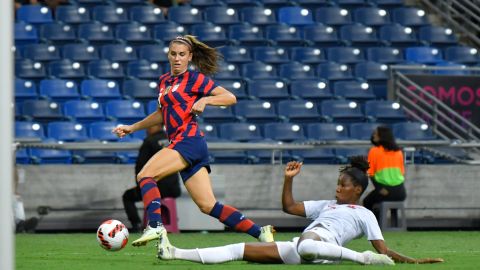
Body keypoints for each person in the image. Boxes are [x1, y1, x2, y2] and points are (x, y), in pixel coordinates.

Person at [112, 35, 274, 247]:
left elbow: (230, 97)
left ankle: (155, 225)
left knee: (146, 174)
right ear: (168, 55)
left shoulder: (195, 79)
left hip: (187, 141)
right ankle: (261, 232)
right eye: (173, 54)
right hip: (188, 145)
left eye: (182, 55)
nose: (177, 59)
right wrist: (132, 127)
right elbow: (161, 114)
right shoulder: (164, 82)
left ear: (189, 57)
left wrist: (206, 99)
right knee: (208, 206)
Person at [157, 158, 444, 265]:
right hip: (302, 248)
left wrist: (415, 261)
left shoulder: (364, 213)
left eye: (342, 185)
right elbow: (289, 207)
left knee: (308, 244)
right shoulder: (326, 205)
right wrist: (288, 180)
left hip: (321, 247)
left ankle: (362, 260)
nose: (337, 189)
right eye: (337, 184)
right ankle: (175, 253)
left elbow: (383, 249)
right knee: (238, 250)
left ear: (356, 189)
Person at [122, 124, 181, 233]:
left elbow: (140, 166)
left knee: (127, 196)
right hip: (174, 188)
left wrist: (141, 185)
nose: (146, 130)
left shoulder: (149, 141)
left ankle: (136, 225)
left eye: (148, 127)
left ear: (156, 127)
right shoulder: (170, 139)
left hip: (155, 188)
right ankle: (171, 224)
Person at [363, 125, 407, 215]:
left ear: (381, 136)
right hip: (401, 192)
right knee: (391, 206)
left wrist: (379, 188)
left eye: (375, 134)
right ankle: (395, 224)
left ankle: (376, 225)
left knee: (367, 202)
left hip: (384, 190)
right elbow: (402, 173)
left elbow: (370, 173)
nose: (373, 135)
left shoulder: (374, 151)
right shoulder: (399, 152)